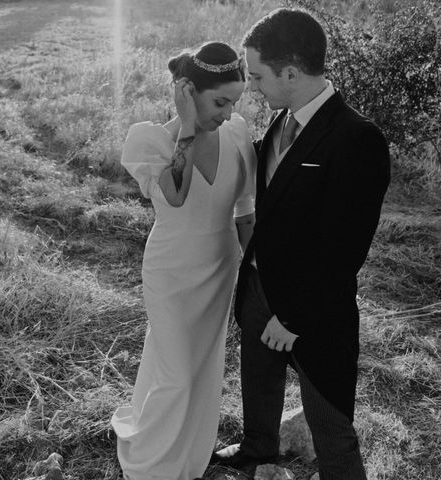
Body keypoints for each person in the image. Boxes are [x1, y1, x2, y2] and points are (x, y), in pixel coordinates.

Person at [210, 8, 391, 480]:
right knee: (259, 384)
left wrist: (292, 319)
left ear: (290, 72)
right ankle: (257, 450)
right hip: (259, 290)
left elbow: (344, 250)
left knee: (330, 423)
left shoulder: (358, 138)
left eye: (258, 76)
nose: (252, 87)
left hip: (312, 315)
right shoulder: (281, 121)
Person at [110, 41, 257, 480]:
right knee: (177, 372)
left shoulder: (237, 133)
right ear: (187, 91)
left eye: (235, 101)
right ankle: (151, 467)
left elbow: (245, 211)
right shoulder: (149, 138)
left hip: (220, 268)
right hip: (171, 270)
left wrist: (258, 273)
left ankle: (189, 457)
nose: (229, 113)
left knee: (202, 366)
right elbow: (174, 195)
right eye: (219, 101)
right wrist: (189, 125)